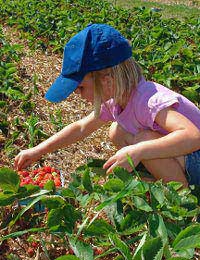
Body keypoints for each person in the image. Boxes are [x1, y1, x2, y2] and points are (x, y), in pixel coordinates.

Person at [14, 23, 200, 187]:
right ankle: (158, 171)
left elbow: (193, 137)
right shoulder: (115, 99)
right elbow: (81, 128)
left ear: (107, 80)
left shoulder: (148, 100)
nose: (79, 96)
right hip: (181, 155)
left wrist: (137, 151)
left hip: (195, 156)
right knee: (117, 131)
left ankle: (182, 200)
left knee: (144, 139)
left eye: (81, 88)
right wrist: (38, 150)